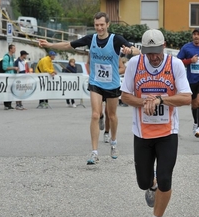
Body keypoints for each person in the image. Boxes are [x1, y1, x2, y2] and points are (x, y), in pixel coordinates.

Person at [38, 12, 138, 164]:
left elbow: (136, 50)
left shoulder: (116, 39)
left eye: (102, 25)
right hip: (96, 82)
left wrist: (130, 51)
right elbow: (68, 45)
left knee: (111, 116)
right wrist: (50, 45)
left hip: (112, 83)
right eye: (96, 25)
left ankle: (113, 142)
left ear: (107, 25)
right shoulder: (91, 39)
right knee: (95, 115)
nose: (99, 28)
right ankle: (94, 152)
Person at [120, 29, 191, 217]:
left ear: (164, 46)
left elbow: (186, 97)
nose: (153, 57)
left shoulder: (175, 65)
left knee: (165, 178)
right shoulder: (134, 64)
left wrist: (160, 99)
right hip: (142, 132)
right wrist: (144, 102)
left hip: (168, 131)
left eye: (156, 52)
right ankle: (151, 186)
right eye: (148, 52)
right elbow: (125, 96)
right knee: (143, 181)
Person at [2, 44, 18, 110]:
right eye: (14, 48)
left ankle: (9, 104)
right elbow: (4, 67)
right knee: (7, 90)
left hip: (12, 76)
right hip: (7, 76)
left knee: (11, 90)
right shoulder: (6, 57)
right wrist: (13, 68)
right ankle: (6, 104)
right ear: (10, 49)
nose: (15, 49)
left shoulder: (12, 57)